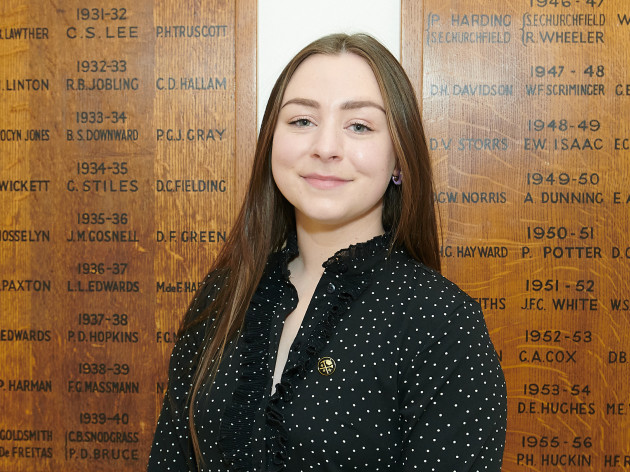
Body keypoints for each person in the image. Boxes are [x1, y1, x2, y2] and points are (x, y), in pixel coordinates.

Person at [148, 33, 507, 472]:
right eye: (302, 120)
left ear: (399, 158)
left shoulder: (443, 323)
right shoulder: (224, 293)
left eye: (359, 126)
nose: (325, 147)